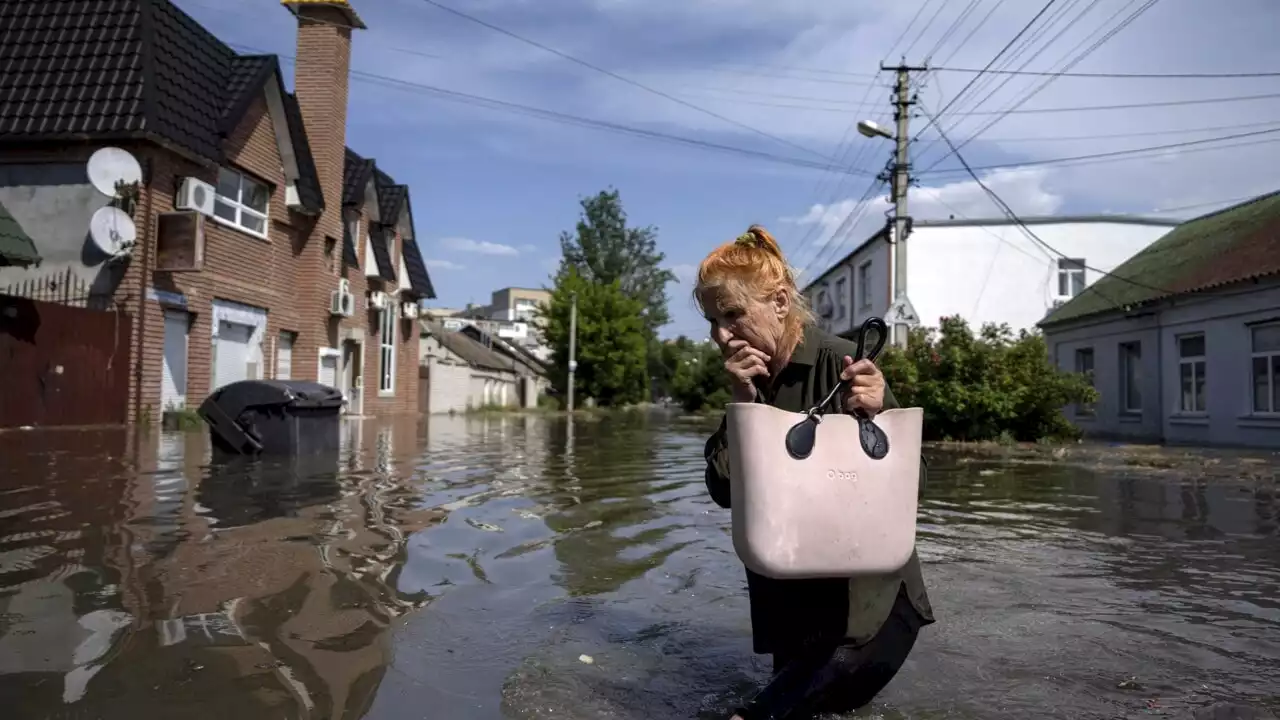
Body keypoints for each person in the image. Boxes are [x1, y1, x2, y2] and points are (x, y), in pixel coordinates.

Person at [696, 225, 935, 720]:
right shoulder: (751, 383)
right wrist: (743, 406)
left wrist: (871, 417)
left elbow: (919, 486)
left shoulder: (843, 363)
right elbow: (723, 492)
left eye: (734, 315)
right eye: (713, 320)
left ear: (780, 303)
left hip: (868, 614)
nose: (722, 334)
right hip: (793, 613)